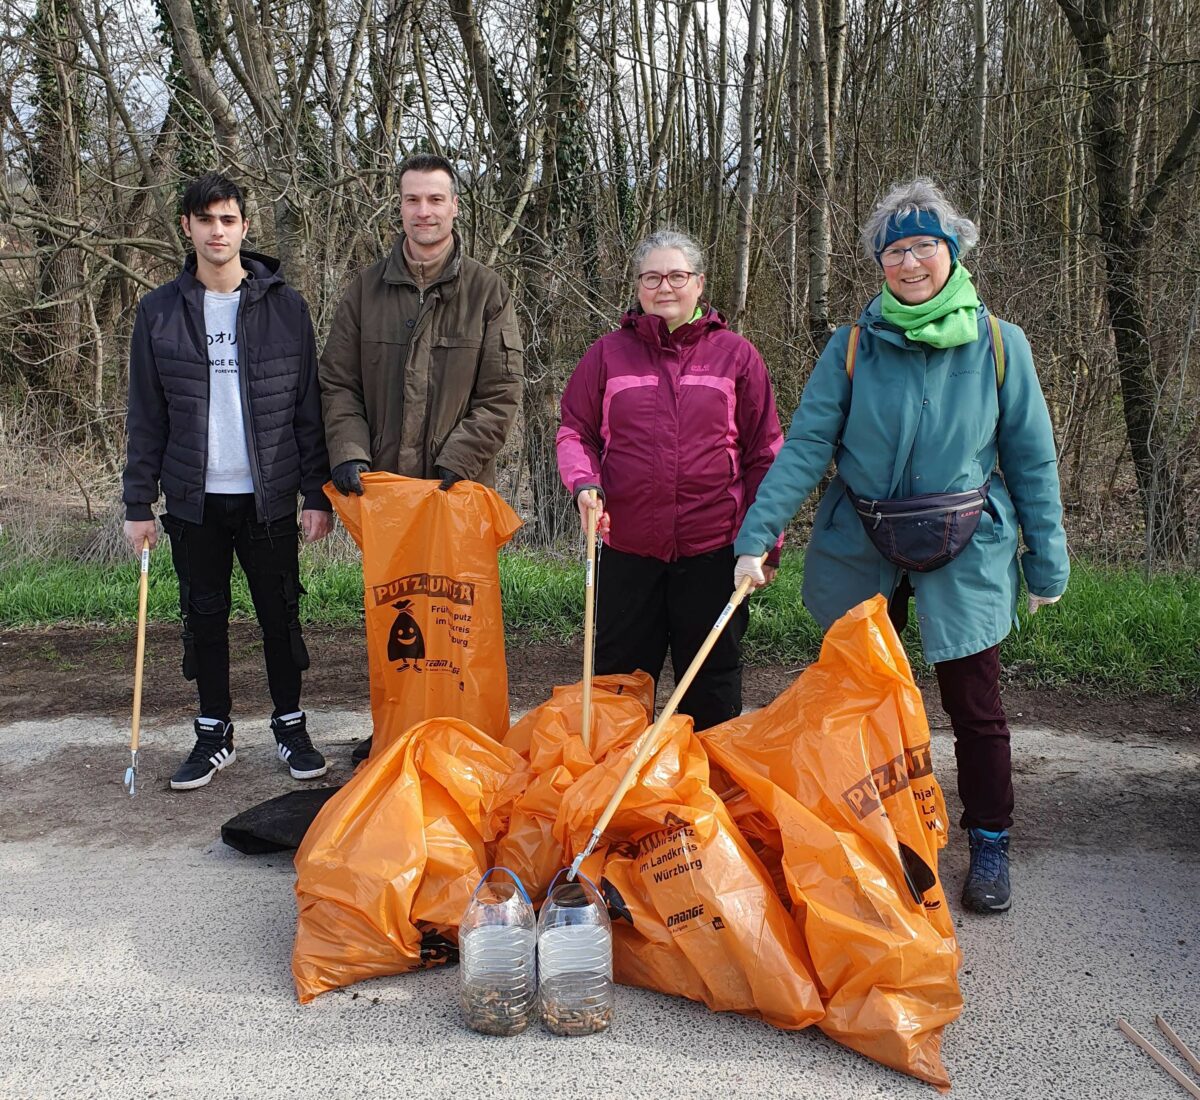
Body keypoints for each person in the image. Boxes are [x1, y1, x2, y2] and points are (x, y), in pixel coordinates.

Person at [733, 178, 1069, 914]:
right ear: (878, 262)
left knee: (974, 705)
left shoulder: (999, 346)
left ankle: (989, 841)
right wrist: (755, 539)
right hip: (864, 540)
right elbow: (804, 450)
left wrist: (1046, 560)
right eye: (894, 251)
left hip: (968, 545)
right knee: (851, 701)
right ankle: (862, 836)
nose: (910, 263)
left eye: (923, 247)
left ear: (952, 252)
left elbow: (1031, 459)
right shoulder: (852, 347)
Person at [122, 172, 334, 791]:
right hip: (193, 498)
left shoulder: (285, 307)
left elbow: (307, 408)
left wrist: (316, 493)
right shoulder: (159, 311)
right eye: (206, 219)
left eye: (229, 219)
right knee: (203, 617)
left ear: (244, 227)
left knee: (280, 617)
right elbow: (146, 414)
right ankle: (213, 734)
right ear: (187, 227)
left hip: (268, 497)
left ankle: (290, 728)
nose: (219, 231)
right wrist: (139, 502)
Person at [320, 152, 524, 762]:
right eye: (413, 200)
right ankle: (398, 728)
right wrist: (350, 453)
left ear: (455, 206)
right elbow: (337, 382)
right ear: (399, 208)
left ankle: (464, 735)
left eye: (436, 199)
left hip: (454, 493)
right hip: (384, 493)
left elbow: (502, 392)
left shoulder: (486, 290)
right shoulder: (365, 289)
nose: (424, 211)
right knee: (396, 617)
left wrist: (452, 464)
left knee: (456, 620)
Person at [556, 228, 784, 732]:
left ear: (699, 283)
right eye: (652, 277)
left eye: (677, 276)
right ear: (638, 287)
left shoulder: (738, 356)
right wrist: (583, 483)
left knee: (710, 687)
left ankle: (705, 796)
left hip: (713, 552)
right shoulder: (606, 355)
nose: (665, 287)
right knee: (617, 685)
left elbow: (766, 456)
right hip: (627, 551)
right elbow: (575, 433)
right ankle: (615, 794)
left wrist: (764, 543)